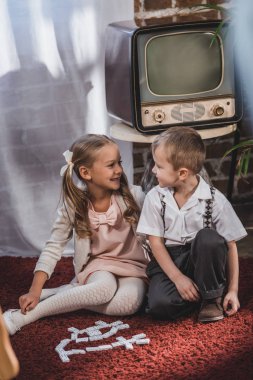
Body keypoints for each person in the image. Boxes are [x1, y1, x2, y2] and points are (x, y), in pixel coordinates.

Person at [3, 134, 148, 335]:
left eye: (119, 163)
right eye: (111, 165)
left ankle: (62, 294)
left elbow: (156, 234)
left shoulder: (134, 196)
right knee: (104, 290)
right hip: (98, 266)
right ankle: (23, 316)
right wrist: (35, 290)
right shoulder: (74, 205)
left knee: (127, 304)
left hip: (134, 267)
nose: (119, 170)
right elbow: (54, 246)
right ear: (85, 173)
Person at [137, 126, 247, 323]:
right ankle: (198, 295)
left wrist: (233, 290)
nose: (153, 170)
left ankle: (212, 298)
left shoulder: (215, 200)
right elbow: (156, 244)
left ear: (182, 173)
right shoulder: (154, 197)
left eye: (159, 166)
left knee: (208, 238)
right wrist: (179, 279)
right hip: (170, 261)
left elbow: (230, 245)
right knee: (159, 307)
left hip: (203, 260)